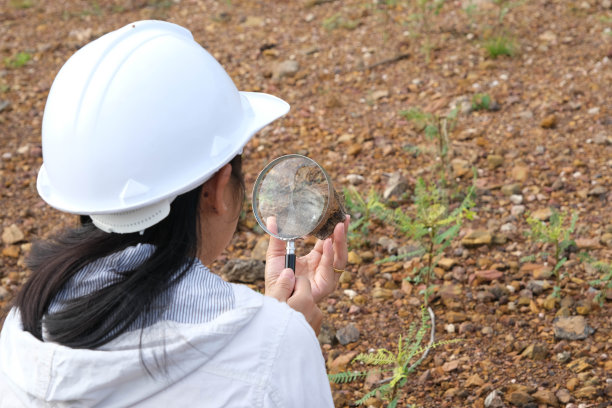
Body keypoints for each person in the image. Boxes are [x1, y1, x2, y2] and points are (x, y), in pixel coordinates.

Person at [0, 20, 349, 407]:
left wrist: (269, 322)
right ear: (217, 190)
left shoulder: (24, 323)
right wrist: (283, 335)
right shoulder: (277, 349)